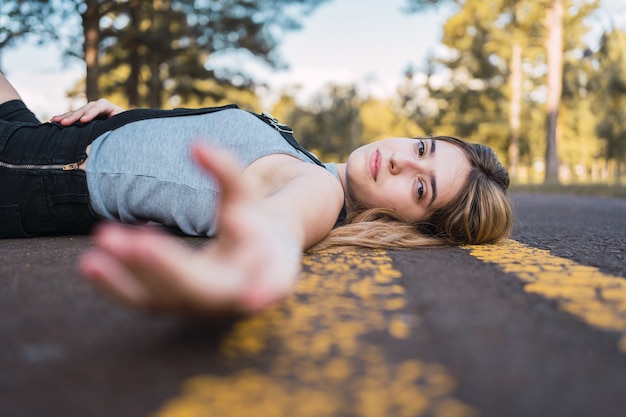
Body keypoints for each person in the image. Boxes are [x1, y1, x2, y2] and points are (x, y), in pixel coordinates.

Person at [0, 72, 513, 316]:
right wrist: (129, 122)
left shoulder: (317, 189)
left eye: (420, 187)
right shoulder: (310, 159)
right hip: (41, 136)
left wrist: (249, 266)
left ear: (407, 225)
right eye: (422, 147)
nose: (403, 160)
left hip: (22, 169)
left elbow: (281, 225)